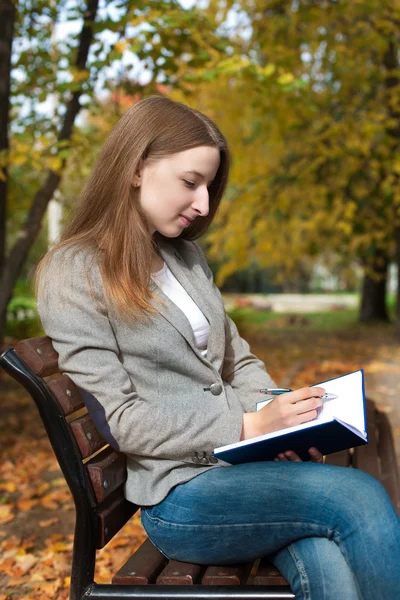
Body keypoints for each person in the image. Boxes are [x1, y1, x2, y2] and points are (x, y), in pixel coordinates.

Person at [36, 95, 400, 600]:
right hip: (182, 497)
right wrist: (248, 426)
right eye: (191, 182)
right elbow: (123, 420)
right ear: (137, 167)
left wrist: (284, 418)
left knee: (329, 556)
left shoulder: (183, 256)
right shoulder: (73, 272)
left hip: (243, 470)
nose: (204, 204)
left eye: (208, 187)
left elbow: (237, 358)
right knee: (358, 499)